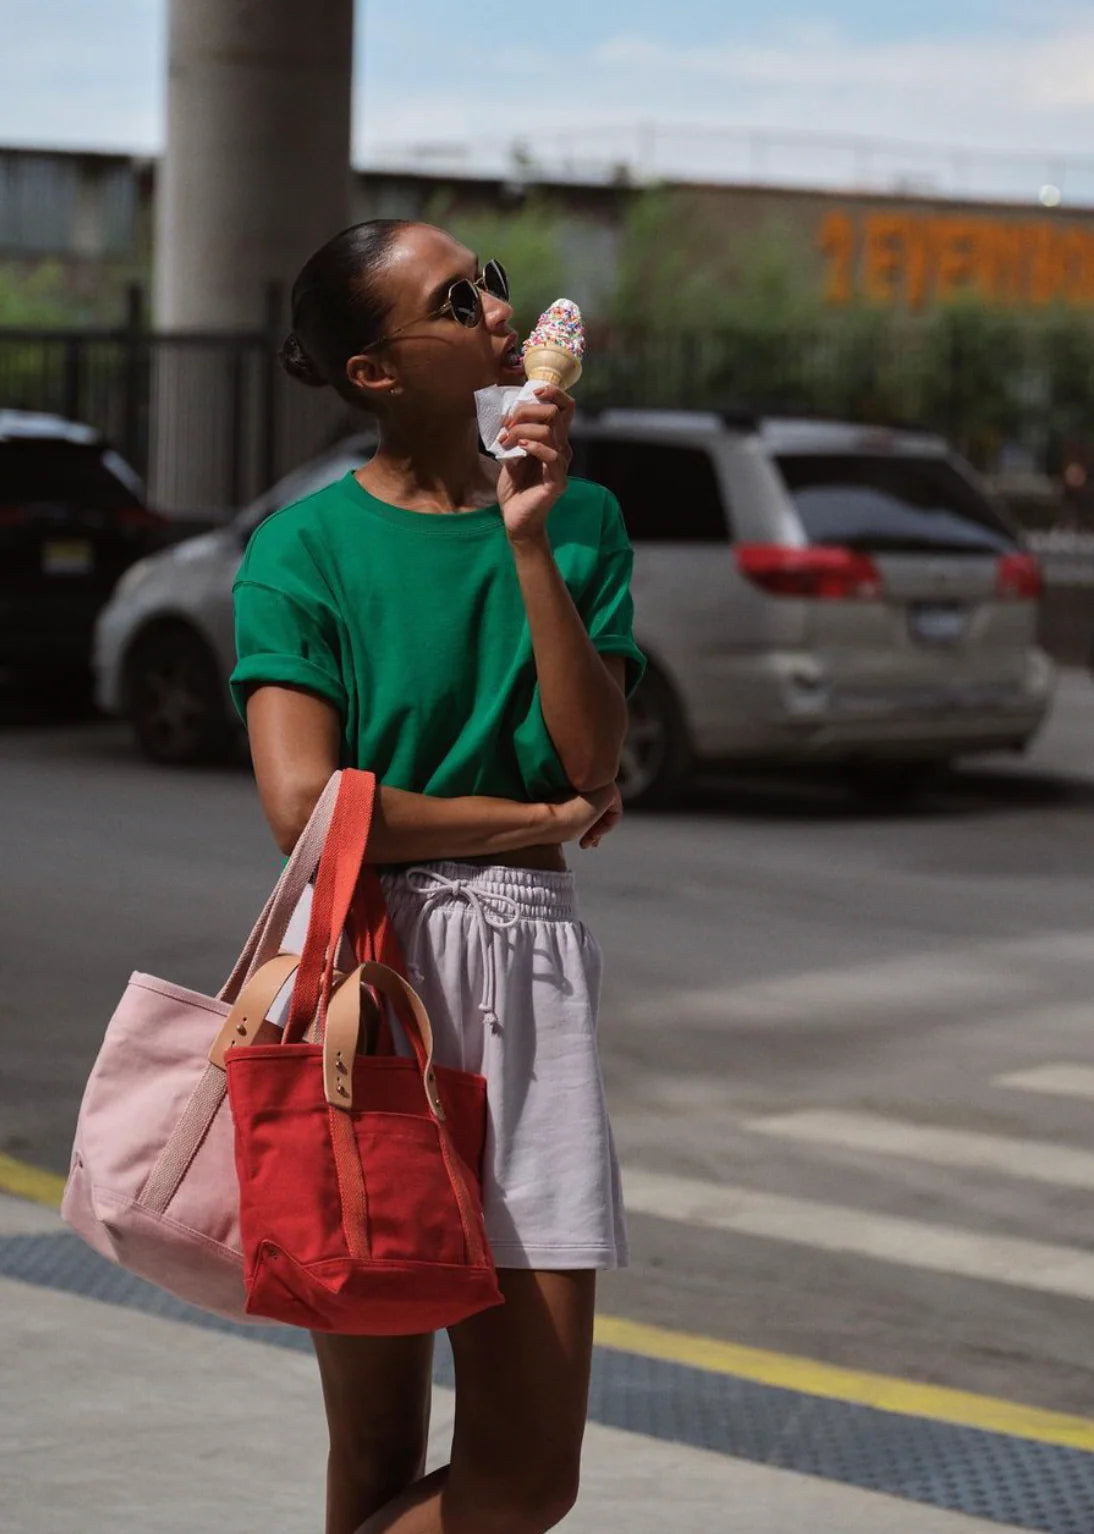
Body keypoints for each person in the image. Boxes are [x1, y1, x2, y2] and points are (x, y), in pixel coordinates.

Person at [229, 219, 646, 1534]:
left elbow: (597, 749)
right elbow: (305, 805)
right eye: (454, 298)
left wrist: (526, 541)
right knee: (373, 1453)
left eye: (491, 284)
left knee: (527, 1472)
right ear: (373, 370)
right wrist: (528, 818)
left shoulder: (579, 519)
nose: (500, 310)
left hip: (527, 976)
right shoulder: (303, 552)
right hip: (362, 973)